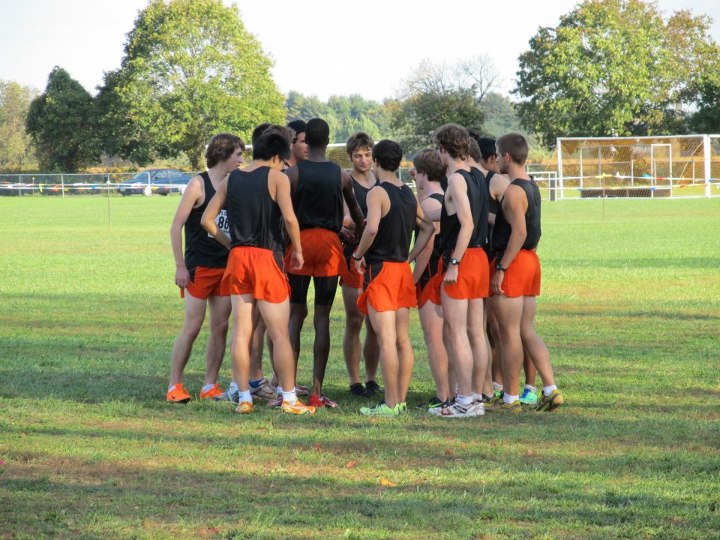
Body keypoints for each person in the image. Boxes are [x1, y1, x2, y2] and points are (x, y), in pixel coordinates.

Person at [201, 129, 315, 415]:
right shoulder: (277, 178)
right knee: (279, 334)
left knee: (241, 332)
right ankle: (289, 398)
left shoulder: (231, 179)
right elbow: (290, 219)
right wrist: (299, 251)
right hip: (266, 258)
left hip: (238, 259)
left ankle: (243, 397)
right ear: (277, 156)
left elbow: (207, 220)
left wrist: (231, 244)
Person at [284, 118, 364, 408]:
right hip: (329, 245)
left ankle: (289, 388)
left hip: (300, 243)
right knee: (322, 317)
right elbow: (357, 213)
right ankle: (317, 390)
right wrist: (360, 239)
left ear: (307, 141)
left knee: (295, 315)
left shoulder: (293, 173)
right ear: (328, 141)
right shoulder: (341, 175)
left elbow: (284, 215)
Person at [353, 139, 434, 416]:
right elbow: (428, 228)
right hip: (401, 271)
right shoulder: (407, 192)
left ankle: (390, 404)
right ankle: (399, 401)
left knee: (386, 339)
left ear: (375, 160)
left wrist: (357, 254)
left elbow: (371, 228)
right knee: (402, 339)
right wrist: (410, 258)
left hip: (382, 270)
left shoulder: (377, 192)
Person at [167, 133, 244, 403]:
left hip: (225, 266)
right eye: (238, 154)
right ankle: (174, 385)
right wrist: (180, 266)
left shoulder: (235, 183)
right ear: (223, 154)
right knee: (192, 326)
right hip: (198, 267)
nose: (241, 160)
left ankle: (209, 384)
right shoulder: (198, 184)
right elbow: (176, 226)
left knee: (220, 327)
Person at [489, 133, 563, 412]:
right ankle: (551, 388)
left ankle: (510, 398)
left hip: (514, 261)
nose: (496, 159)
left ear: (507, 157)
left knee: (508, 333)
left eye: (498, 154)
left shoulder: (513, 191)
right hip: (531, 260)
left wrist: (501, 268)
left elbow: (518, 232)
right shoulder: (532, 186)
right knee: (525, 329)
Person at [432, 124, 491, 418]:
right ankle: (476, 398)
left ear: (443, 149)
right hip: (479, 257)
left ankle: (465, 400)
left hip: (463, 258)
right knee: (476, 332)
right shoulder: (478, 175)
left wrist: (454, 263)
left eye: (438, 150)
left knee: (457, 333)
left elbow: (466, 223)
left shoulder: (455, 178)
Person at [411, 148, 454, 411]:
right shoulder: (441, 197)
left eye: (416, 172)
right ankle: (452, 391)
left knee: (434, 338)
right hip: (443, 271)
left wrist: (412, 280)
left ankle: (442, 394)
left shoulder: (429, 205)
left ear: (423, 173)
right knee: (448, 336)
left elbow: (426, 247)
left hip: (430, 275)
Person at [339, 132, 381, 398]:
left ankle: (371, 377)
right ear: (350, 157)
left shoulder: (381, 180)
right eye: (358, 155)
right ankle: (354, 380)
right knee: (355, 318)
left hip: (379, 255)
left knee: (376, 322)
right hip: (353, 254)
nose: (363, 160)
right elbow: (345, 218)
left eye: (367, 155)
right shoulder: (346, 182)